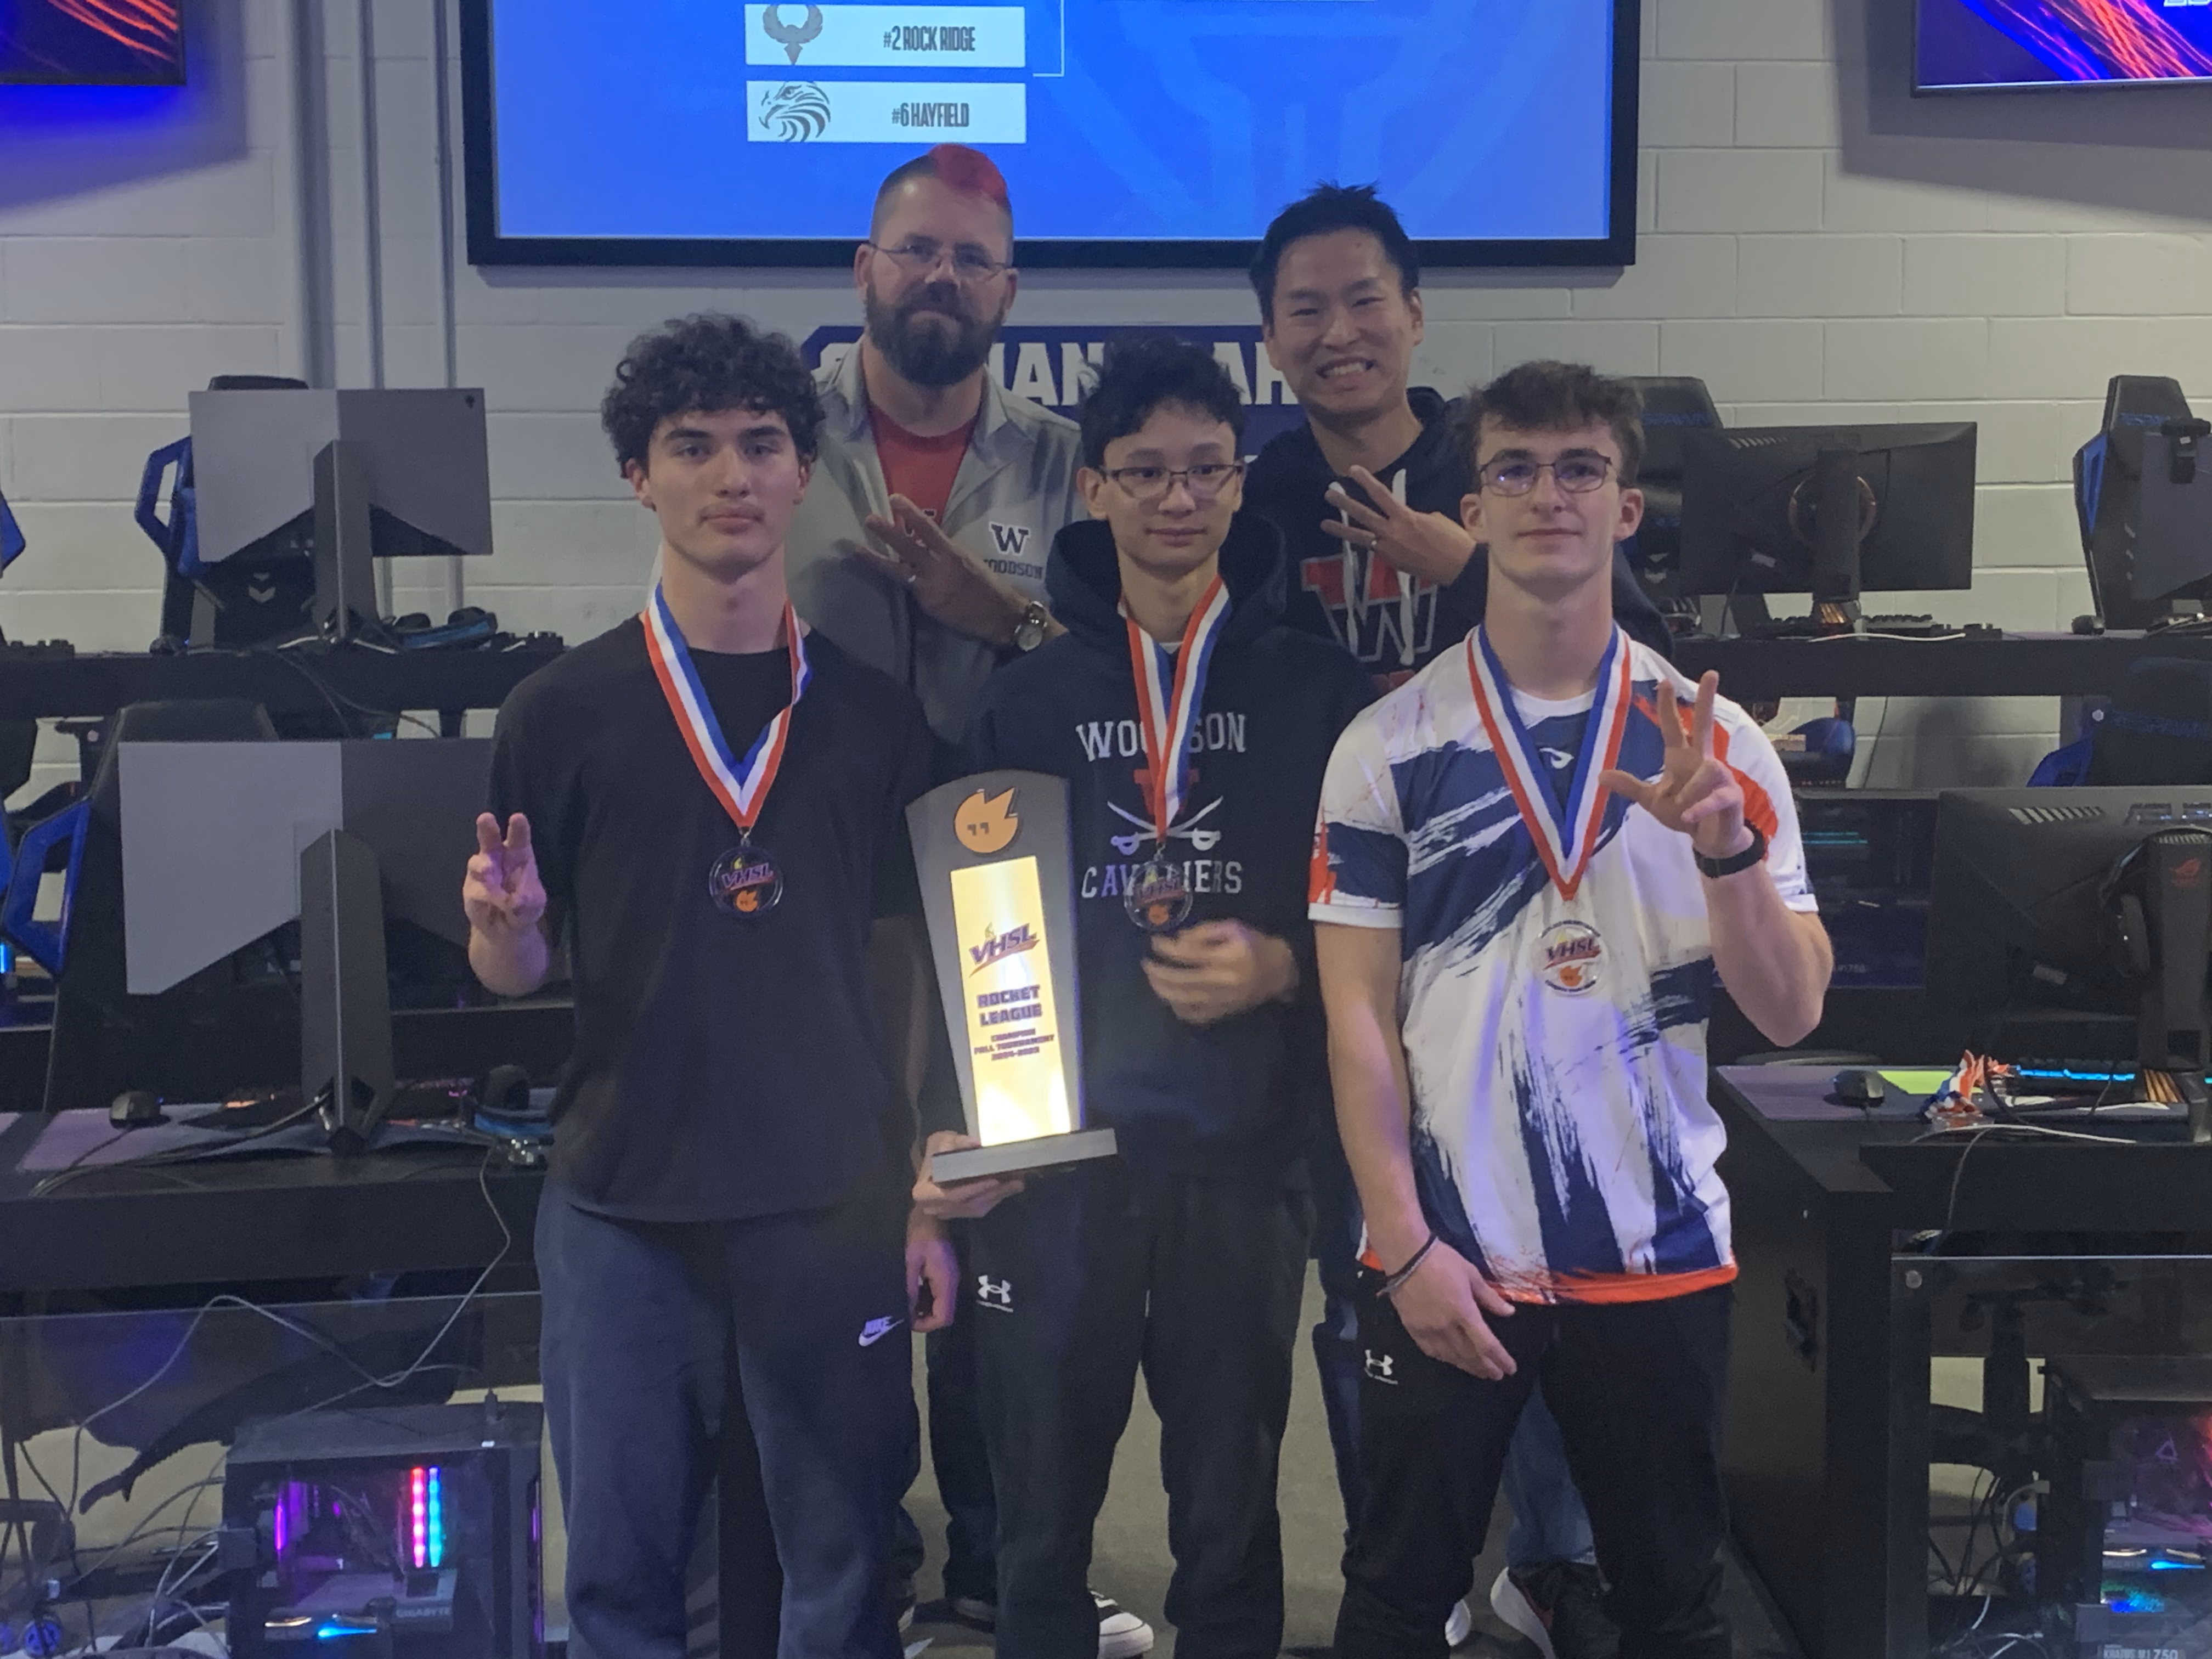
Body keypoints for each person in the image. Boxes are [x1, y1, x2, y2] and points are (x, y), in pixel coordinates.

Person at [1312, 359, 1831, 1659]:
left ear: (1628, 507)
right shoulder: (1391, 745)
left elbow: (1788, 1013)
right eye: (1517, 470)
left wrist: (1723, 851)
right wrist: (1407, 1245)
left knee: (1671, 1610)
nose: (1550, 494)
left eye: (1581, 469)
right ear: (1473, 508)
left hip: (1654, 1247)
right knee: (1390, 1603)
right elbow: (1357, 1020)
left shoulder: (1717, 747)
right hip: (1449, 1253)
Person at [465, 314, 955, 1659]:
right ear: (641, 475)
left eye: (761, 445)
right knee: (619, 1577)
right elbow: (517, 968)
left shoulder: (870, 716)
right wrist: (501, 932)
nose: (729, 476)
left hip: (827, 1197)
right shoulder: (556, 714)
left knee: (843, 1564)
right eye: (693, 447)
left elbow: (901, 960)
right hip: (625, 1198)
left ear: (805, 472)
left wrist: (916, 1172)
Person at [915, 336, 1372, 1659]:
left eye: (1205, 471)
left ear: (1240, 488)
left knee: (1231, 1508)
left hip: (1243, 1156)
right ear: (1097, 491)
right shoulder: (1029, 700)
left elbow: (1372, 911)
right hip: (1064, 1169)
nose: (1179, 498)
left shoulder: (1316, 690)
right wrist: (957, 1132)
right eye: (1147, 473)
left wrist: (1284, 961)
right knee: (1039, 1518)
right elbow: (976, 936)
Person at [1245, 182, 1653, 1655]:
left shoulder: (1503, 467)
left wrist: (1466, 566)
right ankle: (1399, 1577)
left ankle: (1552, 1570)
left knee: (1544, 1270)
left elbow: (1637, 645)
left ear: (1415, 315)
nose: (1339, 331)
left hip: (1523, 955)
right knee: (1384, 1274)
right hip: (1346, 938)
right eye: (1306, 310)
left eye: (1366, 301)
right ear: (1274, 341)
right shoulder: (1258, 494)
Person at [787, 142, 1084, 744]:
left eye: (973, 259)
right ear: (865, 269)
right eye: (918, 249)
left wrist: (1011, 620)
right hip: (809, 818)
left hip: (1006, 819)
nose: (943, 276)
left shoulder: (1072, 464)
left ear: (1009, 291)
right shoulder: (774, 439)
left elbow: (1118, 693)